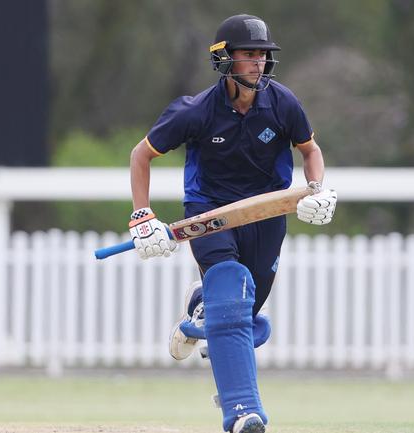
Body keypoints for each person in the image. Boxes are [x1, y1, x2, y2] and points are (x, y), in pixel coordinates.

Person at [128, 14, 337, 433]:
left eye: (262, 55)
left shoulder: (283, 103)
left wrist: (316, 188)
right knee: (230, 300)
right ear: (224, 59)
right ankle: (243, 412)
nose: (258, 63)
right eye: (249, 55)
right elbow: (141, 155)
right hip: (210, 213)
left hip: (267, 213)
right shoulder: (195, 111)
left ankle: (199, 307)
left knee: (242, 312)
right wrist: (142, 214)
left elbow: (310, 150)